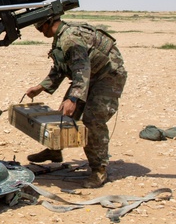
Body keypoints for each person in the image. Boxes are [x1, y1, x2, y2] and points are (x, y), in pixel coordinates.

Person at [23, 14, 127, 188]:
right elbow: (60, 68)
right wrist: (40, 87)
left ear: (48, 23)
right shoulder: (60, 39)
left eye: (40, 28)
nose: (40, 32)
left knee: (93, 121)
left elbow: (81, 68)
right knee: (65, 114)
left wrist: (73, 98)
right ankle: (55, 151)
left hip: (107, 77)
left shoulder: (69, 38)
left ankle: (99, 170)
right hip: (89, 76)